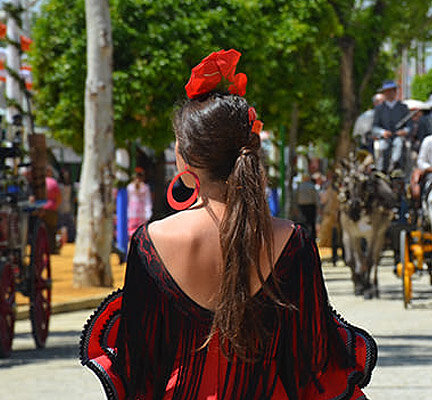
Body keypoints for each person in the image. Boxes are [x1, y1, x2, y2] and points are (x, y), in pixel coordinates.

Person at [79, 49, 374, 400]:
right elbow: (312, 362)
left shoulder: (151, 241)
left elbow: (139, 365)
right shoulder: (292, 240)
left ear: (184, 157)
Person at [372, 80, 411, 172]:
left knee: (399, 145)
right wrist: (382, 132)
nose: (389, 93)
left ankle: (395, 168)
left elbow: (409, 125)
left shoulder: (403, 108)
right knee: (382, 147)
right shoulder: (379, 109)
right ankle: (381, 170)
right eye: (387, 91)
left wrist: (404, 131)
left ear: (395, 92)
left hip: (398, 137)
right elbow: (374, 127)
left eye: (392, 90)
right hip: (385, 138)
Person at [126, 167, 152, 238]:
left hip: (141, 213)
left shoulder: (145, 187)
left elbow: (147, 200)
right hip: (132, 212)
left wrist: (148, 212)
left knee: (140, 231)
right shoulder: (130, 187)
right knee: (132, 231)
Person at [295, 174, 319, 238]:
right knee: (311, 222)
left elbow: (296, 197)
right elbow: (316, 197)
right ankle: (313, 236)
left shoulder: (299, 186)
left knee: (302, 222)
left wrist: (296, 207)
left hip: (302, 206)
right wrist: (318, 206)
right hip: (311, 206)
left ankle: (303, 236)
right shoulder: (312, 186)